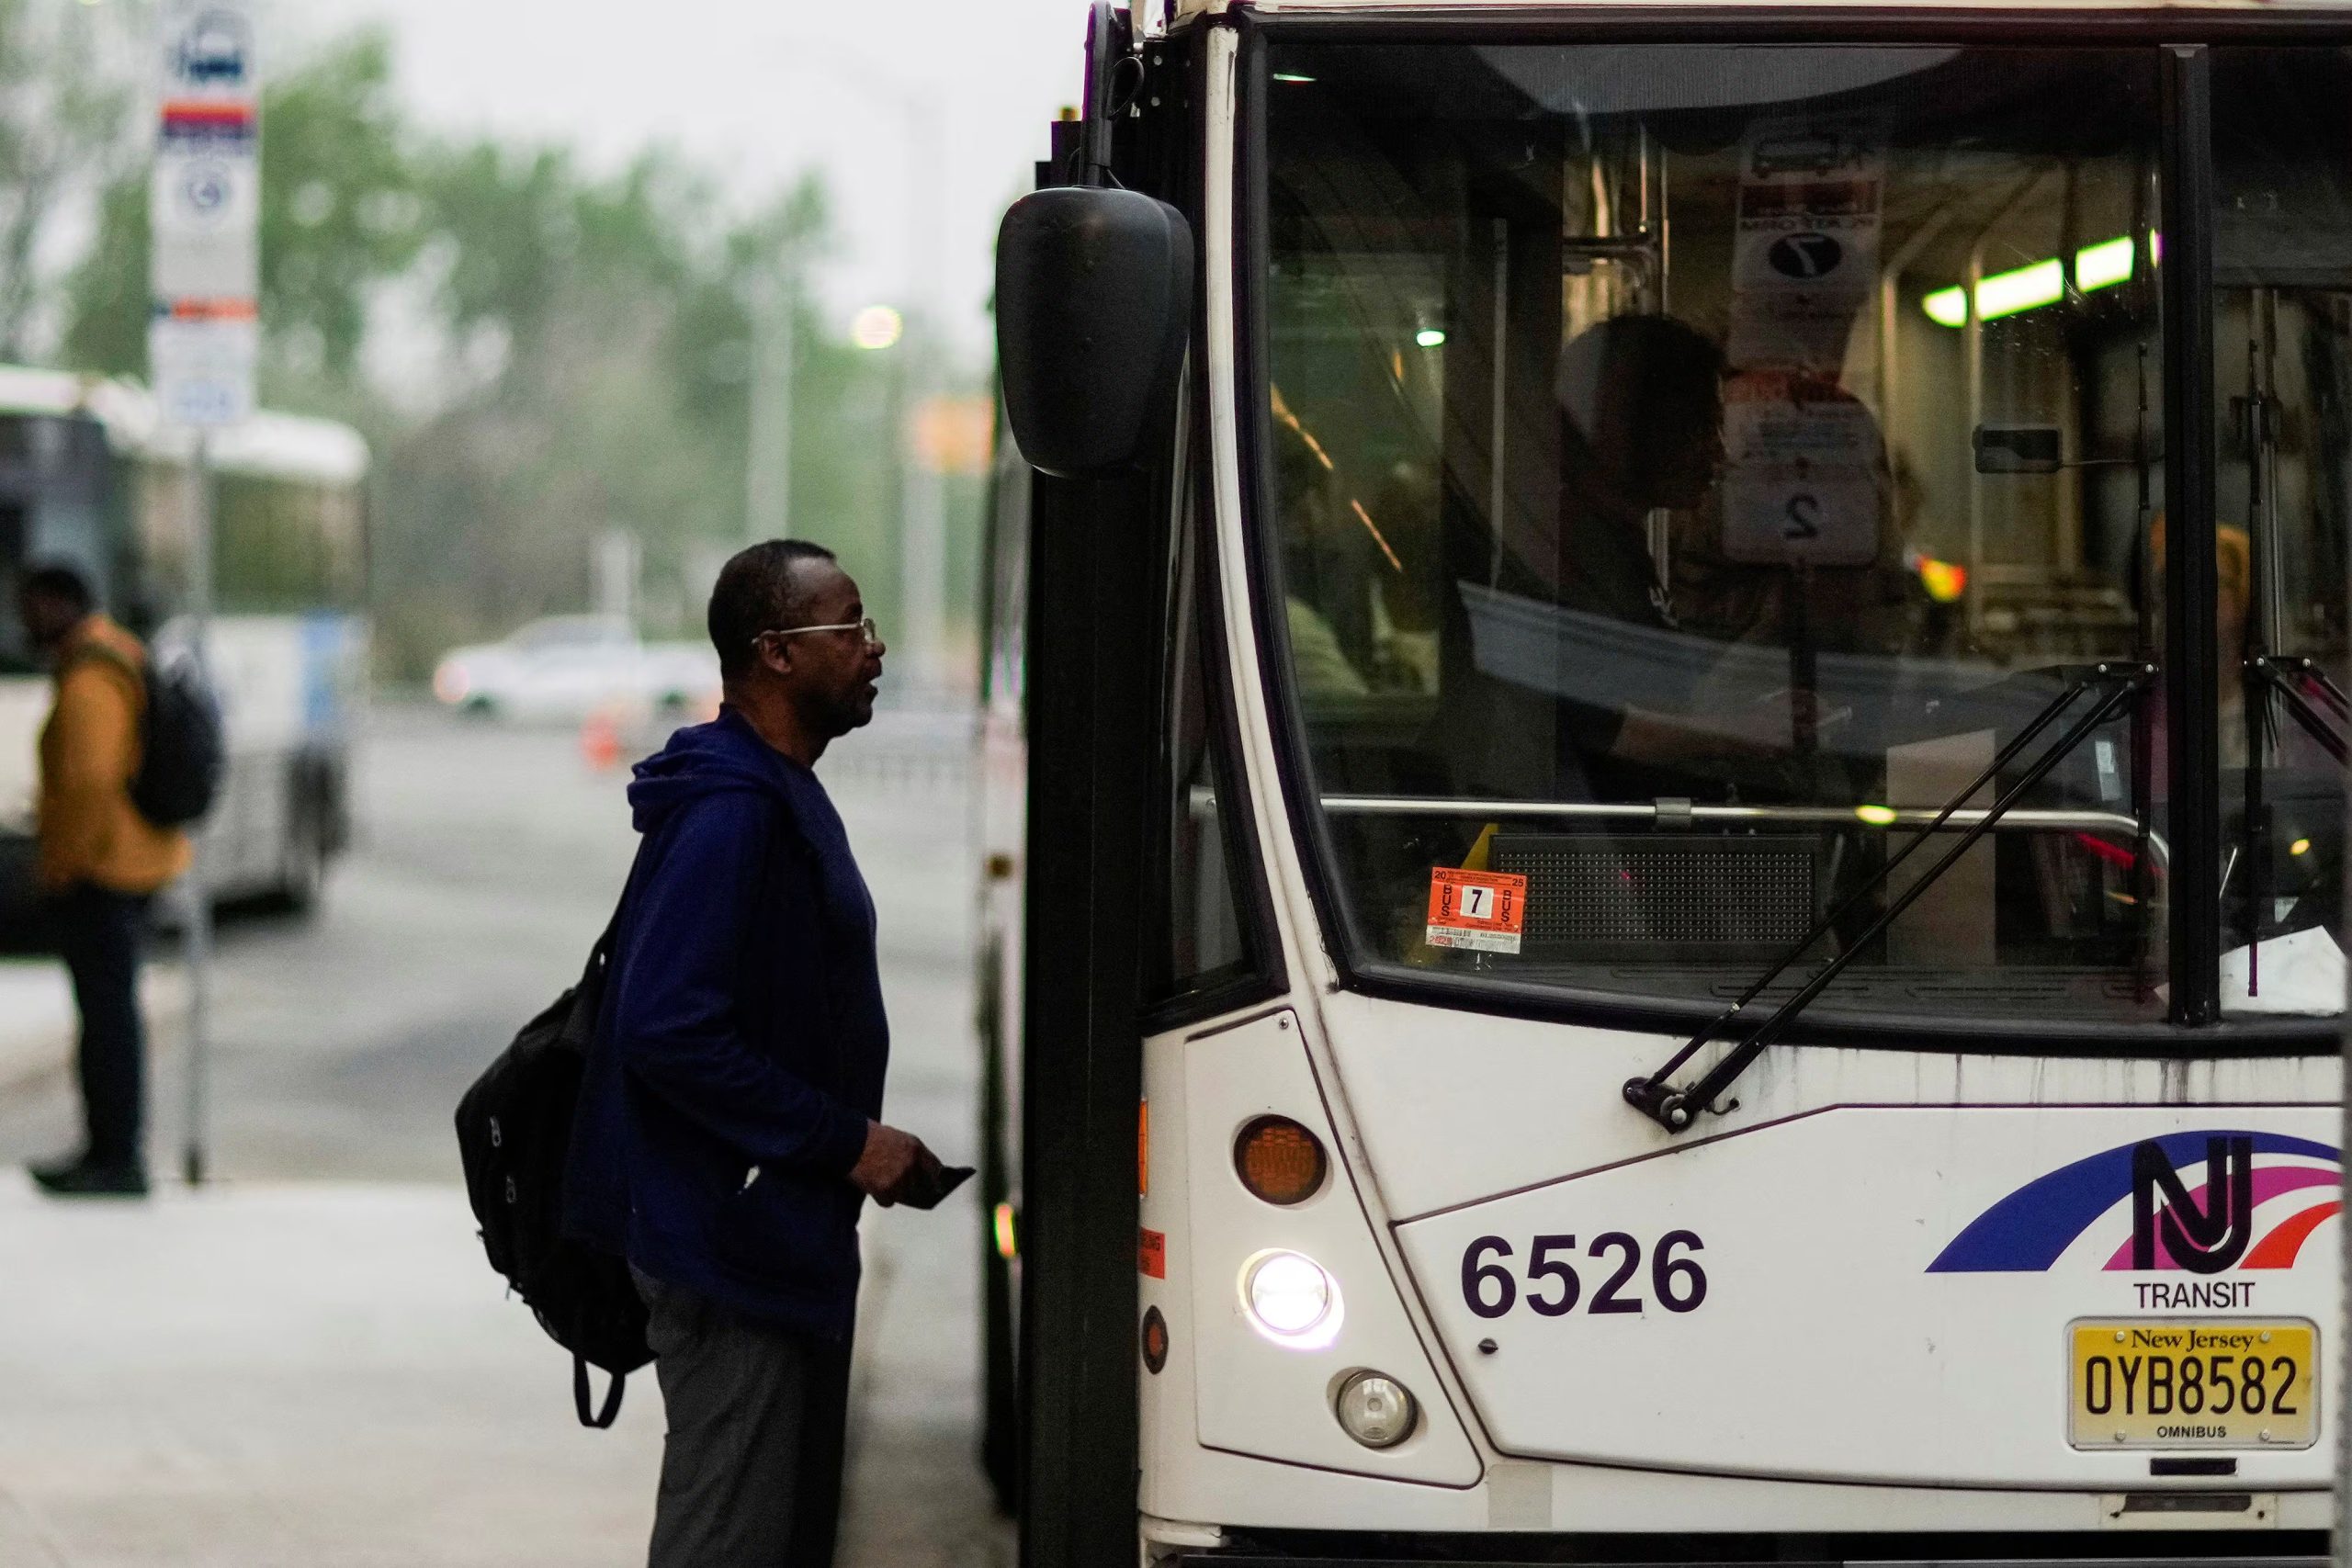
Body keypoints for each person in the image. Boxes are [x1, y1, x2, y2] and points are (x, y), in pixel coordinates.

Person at [562, 539, 944, 1568]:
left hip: (761, 1226)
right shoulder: (733, 813)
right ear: (775, 652)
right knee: (725, 1537)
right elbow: (667, 1027)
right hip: (727, 1240)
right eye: (850, 628)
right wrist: (843, 1140)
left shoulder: (768, 789)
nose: (873, 651)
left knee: (760, 1531)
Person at [16, 563, 190, 1198]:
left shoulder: (93, 673)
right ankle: (107, 1149)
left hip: (106, 871)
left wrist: (62, 864)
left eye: (31, 606)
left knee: (108, 1020)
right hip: (125, 863)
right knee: (107, 1016)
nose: (23, 620)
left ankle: (116, 1157)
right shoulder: (110, 656)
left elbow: (90, 781)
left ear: (61, 604)